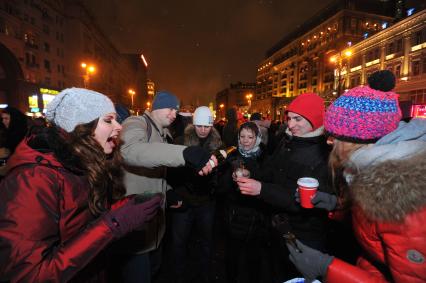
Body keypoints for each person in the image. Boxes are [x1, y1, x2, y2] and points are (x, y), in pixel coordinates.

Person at [0, 88, 162, 282]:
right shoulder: (32, 179)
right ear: (81, 126)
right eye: (109, 120)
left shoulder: (84, 165)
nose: (119, 127)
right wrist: (114, 224)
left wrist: (123, 209)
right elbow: (28, 275)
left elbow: (81, 227)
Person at [286, 70, 426, 282]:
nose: (329, 142)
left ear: (357, 139)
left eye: (335, 137)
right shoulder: (374, 171)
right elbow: (377, 251)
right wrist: (337, 206)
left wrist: (328, 269)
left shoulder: (402, 198)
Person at [116, 91, 218, 283]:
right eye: (171, 109)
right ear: (156, 107)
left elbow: (159, 173)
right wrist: (185, 153)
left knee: (154, 272)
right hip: (135, 224)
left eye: (176, 110)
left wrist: (169, 192)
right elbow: (130, 151)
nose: (174, 114)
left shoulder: (163, 134)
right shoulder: (136, 123)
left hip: (154, 227)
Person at [234, 93, 333, 281]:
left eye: (298, 119)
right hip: (277, 229)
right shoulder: (287, 141)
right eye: (289, 118)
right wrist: (251, 174)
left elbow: (301, 200)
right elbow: (271, 171)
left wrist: (261, 189)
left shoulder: (323, 154)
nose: (291, 124)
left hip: (304, 237)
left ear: (315, 120)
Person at [168, 106, 222, 283]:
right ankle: (178, 275)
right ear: (193, 124)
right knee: (179, 242)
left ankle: (204, 274)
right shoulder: (180, 142)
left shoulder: (217, 144)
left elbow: (220, 175)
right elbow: (171, 172)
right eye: (200, 126)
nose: (203, 130)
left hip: (206, 202)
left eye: (207, 127)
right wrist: (174, 193)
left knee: (206, 240)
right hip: (184, 202)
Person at [221, 121, 272, 283]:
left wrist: (252, 174)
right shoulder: (232, 155)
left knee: (254, 258)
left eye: (250, 137)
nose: (245, 140)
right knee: (232, 257)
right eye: (242, 136)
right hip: (235, 216)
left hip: (257, 217)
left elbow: (270, 181)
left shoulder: (266, 156)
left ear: (257, 138)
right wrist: (230, 178)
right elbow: (220, 187)